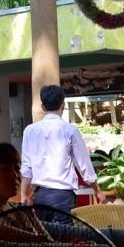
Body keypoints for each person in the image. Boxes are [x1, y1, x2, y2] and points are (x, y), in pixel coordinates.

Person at [19, 85, 96, 219]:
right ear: (63, 105)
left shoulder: (30, 131)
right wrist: (97, 190)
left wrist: (23, 194)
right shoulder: (70, 130)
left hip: (40, 197)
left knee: (44, 232)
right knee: (63, 232)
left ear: (43, 107)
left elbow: (27, 167)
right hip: (64, 197)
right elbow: (84, 165)